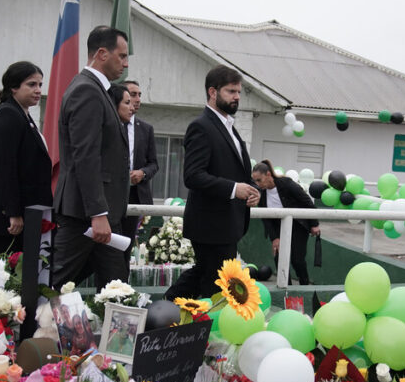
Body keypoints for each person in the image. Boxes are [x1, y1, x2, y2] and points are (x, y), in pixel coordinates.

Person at [164, 65, 259, 300]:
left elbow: (238, 172)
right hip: (210, 225)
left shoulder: (229, 127)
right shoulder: (202, 126)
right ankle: (175, 315)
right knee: (213, 285)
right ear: (212, 92)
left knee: (206, 275)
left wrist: (252, 190)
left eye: (238, 92)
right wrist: (234, 189)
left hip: (228, 224)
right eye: (231, 91)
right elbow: (193, 175)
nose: (237, 97)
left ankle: (162, 308)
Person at [52, 25, 130, 289]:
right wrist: (98, 213)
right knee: (54, 283)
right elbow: (85, 156)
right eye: (121, 56)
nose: (125, 64)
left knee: (116, 286)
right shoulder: (87, 90)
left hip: (101, 213)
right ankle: (19, 325)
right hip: (86, 215)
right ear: (101, 54)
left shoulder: (98, 90)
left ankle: (117, 331)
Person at [0, 62, 52, 257]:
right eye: (31, 85)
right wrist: (12, 212)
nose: (38, 90)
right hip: (1, 216)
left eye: (40, 85)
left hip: (21, 209)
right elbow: (5, 168)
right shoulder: (8, 114)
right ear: (14, 87)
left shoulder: (22, 114)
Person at [252, 159, 320, 285]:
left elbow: (307, 202)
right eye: (254, 181)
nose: (257, 184)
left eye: (259, 180)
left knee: (297, 260)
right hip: (278, 228)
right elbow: (265, 218)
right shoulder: (261, 194)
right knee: (279, 258)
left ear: (268, 175)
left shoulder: (287, 184)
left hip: (297, 226)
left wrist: (314, 224)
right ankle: (286, 290)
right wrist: (274, 238)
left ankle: (304, 287)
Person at [121, 80, 159, 268]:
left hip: (136, 196)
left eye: (139, 95)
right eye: (132, 95)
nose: (137, 99)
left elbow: (154, 164)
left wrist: (142, 173)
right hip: (112, 196)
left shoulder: (146, 129)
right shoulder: (112, 125)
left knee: (128, 247)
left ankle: (123, 286)